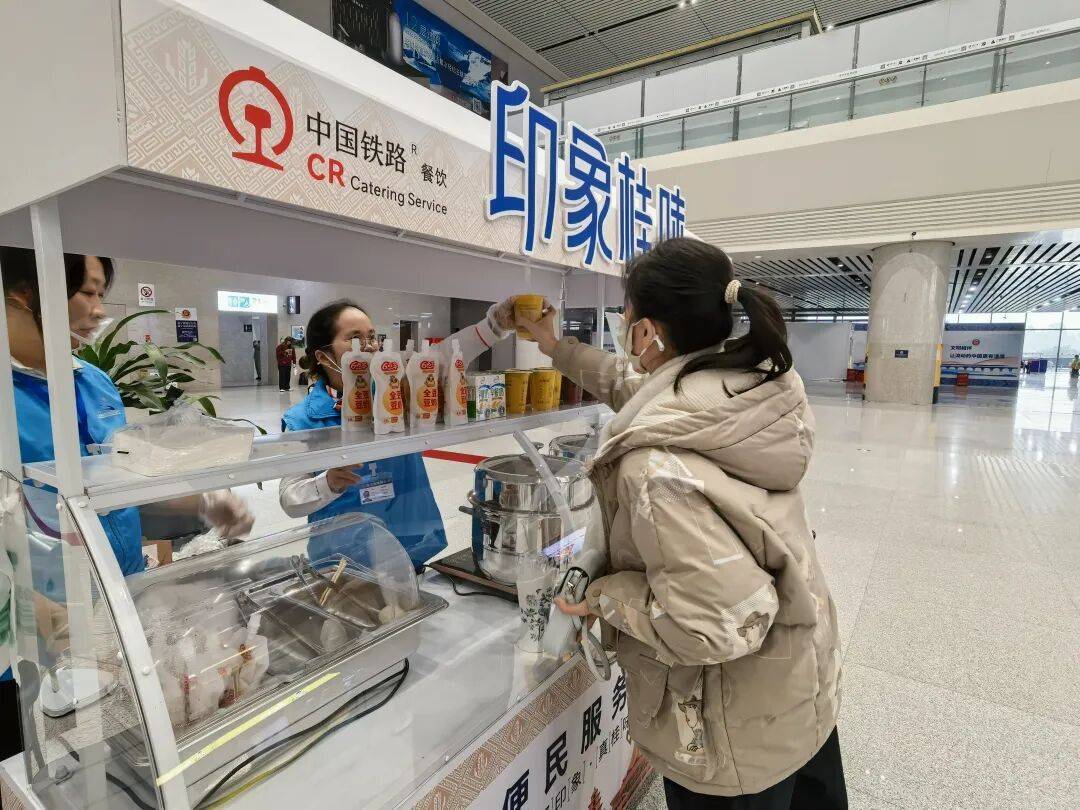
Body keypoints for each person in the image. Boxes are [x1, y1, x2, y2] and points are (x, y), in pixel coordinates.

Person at [518, 238, 846, 810]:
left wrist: (599, 597)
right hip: (796, 689)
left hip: (731, 734)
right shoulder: (749, 387)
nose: (624, 332)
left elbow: (709, 628)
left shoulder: (656, 471)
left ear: (646, 332)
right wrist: (554, 346)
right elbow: (631, 384)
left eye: (626, 317)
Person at [279, 298, 517, 569]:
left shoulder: (399, 393)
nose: (368, 346)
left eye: (371, 337)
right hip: (342, 562)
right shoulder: (303, 420)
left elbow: (439, 356)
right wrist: (328, 483)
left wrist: (494, 326)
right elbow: (290, 499)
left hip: (406, 546)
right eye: (354, 338)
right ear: (323, 357)